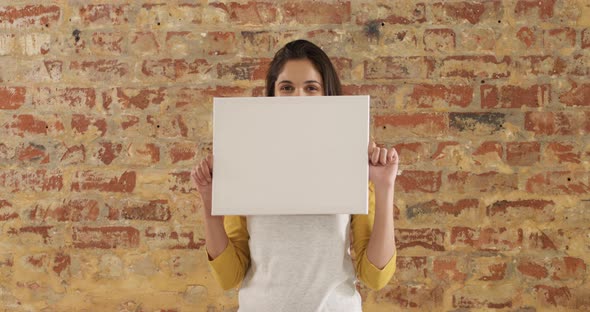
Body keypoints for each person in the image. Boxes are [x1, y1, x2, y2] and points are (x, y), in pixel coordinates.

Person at [191, 39, 399, 312]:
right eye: (287, 87)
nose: (298, 97)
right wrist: (210, 202)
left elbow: (376, 276)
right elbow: (230, 276)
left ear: (327, 95)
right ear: (273, 94)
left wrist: (384, 188)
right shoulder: (248, 159)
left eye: (311, 88)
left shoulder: (352, 163)